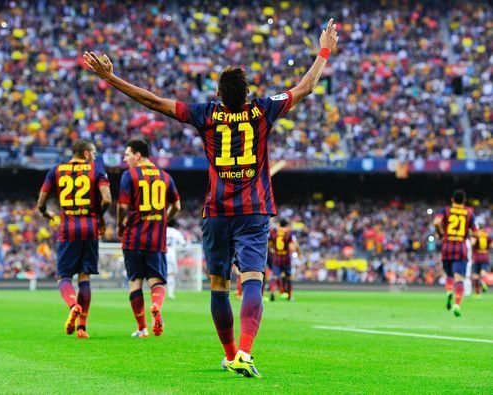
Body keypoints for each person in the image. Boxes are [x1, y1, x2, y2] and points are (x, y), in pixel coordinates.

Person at [83, 18, 338, 378]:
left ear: (218, 94)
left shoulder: (206, 114)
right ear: (247, 93)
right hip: (254, 211)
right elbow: (307, 85)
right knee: (252, 280)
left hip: (217, 213)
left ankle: (231, 353)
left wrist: (111, 78)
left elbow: (153, 101)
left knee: (218, 285)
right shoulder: (264, 110)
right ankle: (245, 353)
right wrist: (324, 49)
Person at [36, 139, 111, 338]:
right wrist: (99, 216)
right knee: (84, 278)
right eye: (93, 153)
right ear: (86, 154)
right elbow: (107, 199)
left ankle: (72, 305)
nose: (94, 157)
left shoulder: (56, 170)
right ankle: (82, 328)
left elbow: (41, 203)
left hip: (68, 228)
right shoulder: (97, 170)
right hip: (90, 228)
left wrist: (46, 214)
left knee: (64, 277)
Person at [117, 138, 181, 338]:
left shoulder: (130, 176)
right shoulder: (165, 176)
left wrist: (120, 224)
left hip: (133, 237)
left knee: (135, 281)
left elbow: (121, 206)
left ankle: (142, 328)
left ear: (138, 155)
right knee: (157, 281)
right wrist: (163, 220)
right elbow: (177, 206)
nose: (125, 159)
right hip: (156, 238)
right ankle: (156, 305)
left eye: (127, 155)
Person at [433, 190, 477, 317]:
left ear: (452, 199)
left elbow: (436, 222)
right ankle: (457, 304)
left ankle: (448, 291)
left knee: (449, 274)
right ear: (464, 201)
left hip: (447, 245)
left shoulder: (445, 210)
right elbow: (475, 232)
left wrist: (441, 232)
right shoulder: (469, 212)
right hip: (460, 246)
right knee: (459, 278)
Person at [268, 218, 300, 301]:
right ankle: (289, 296)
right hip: (286, 258)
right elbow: (294, 245)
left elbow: (269, 244)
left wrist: (273, 251)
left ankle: (272, 292)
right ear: (286, 225)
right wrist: (299, 254)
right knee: (288, 277)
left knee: (275, 276)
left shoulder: (274, 233)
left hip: (276, 257)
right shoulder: (289, 233)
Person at [166, 218, 186, 299]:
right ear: (174, 225)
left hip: (161, 255)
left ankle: (157, 293)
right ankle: (170, 294)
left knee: (159, 275)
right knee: (170, 275)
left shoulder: (162, 230)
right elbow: (183, 243)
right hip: (171, 256)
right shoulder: (176, 232)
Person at [471, 227, 491, 297]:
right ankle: (483, 282)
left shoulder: (475, 235)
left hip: (476, 256)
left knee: (475, 276)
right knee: (483, 273)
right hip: (485, 256)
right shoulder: (487, 235)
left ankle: (477, 293)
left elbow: (472, 243)